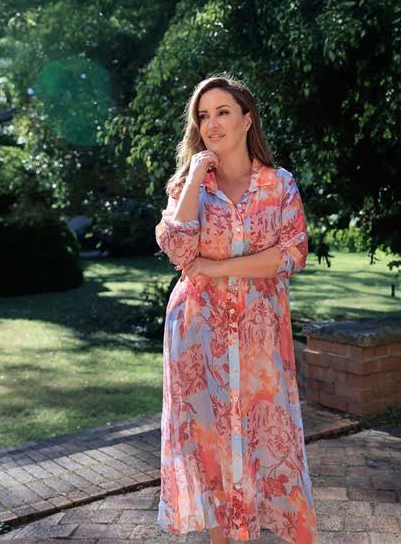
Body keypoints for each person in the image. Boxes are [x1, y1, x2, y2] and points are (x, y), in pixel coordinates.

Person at [154, 75, 318, 544]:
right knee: (207, 441)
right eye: (203, 116)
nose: (211, 124)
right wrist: (194, 176)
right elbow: (176, 248)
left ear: (247, 119)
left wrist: (216, 267)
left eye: (222, 112)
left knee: (262, 432)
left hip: (258, 335)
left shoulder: (278, 185)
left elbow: (292, 253)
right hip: (197, 335)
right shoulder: (188, 187)